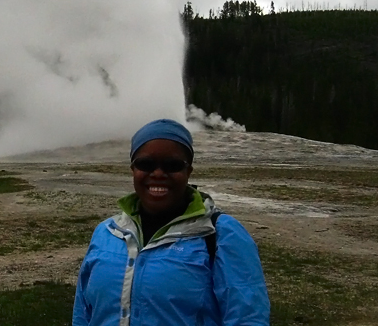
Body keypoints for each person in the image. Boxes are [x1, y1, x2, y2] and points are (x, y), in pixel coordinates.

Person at [72, 118, 270, 326]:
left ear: (188, 171)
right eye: (145, 164)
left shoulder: (222, 234)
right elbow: (82, 313)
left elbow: (248, 318)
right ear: (133, 169)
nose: (158, 174)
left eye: (172, 165)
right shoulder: (106, 232)